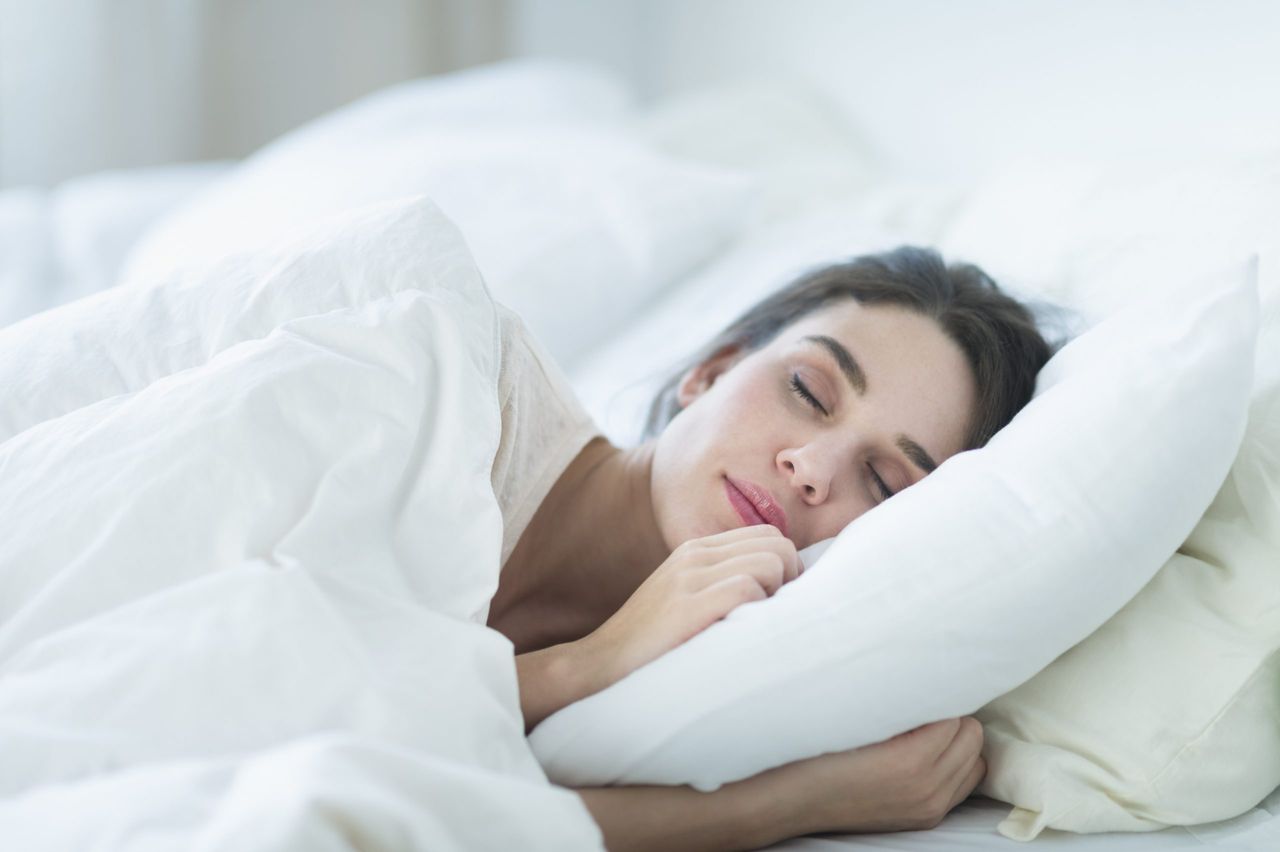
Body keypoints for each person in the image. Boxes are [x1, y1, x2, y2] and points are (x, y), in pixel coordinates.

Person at [484, 245, 1053, 851]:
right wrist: (590, 661)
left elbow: (440, 816)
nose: (811, 468)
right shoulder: (453, 378)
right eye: (808, 391)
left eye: (884, 483)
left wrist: (813, 798)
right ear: (712, 370)